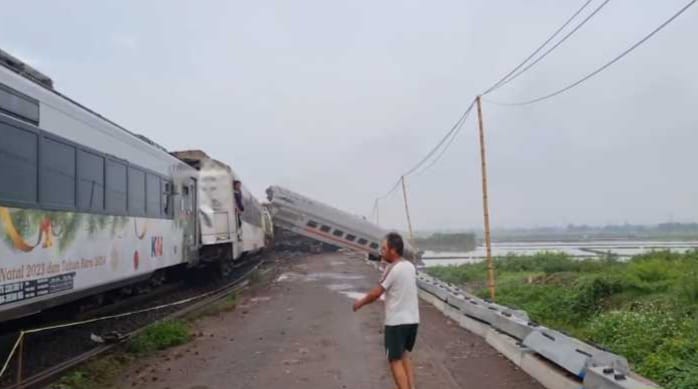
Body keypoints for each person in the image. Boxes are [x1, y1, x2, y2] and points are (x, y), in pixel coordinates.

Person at [353, 232, 420, 389]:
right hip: (413, 320)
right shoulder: (409, 266)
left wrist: (360, 303)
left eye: (384, 249)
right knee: (403, 355)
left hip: (396, 323)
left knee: (394, 361)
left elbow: (377, 293)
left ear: (393, 250)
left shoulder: (393, 269)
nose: (381, 252)